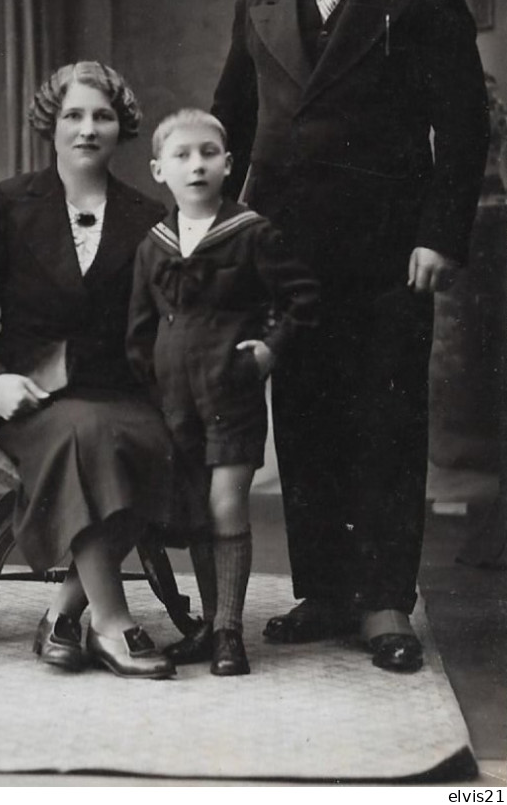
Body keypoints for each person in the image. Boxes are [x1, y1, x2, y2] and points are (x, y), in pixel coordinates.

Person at [212, 0, 490, 673]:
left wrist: (438, 234)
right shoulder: (258, 1)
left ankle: (381, 600)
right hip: (282, 245)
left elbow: (463, 128)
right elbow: (229, 120)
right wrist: (222, 230)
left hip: (385, 249)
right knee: (303, 414)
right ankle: (326, 589)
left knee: (383, 417)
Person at [0, 61, 179, 680]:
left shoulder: (147, 214)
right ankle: (112, 622)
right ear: (50, 125)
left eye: (102, 116)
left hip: (118, 388)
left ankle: (61, 614)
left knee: (150, 440)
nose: (87, 129)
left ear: (121, 127)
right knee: (84, 435)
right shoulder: (8, 204)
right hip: (26, 392)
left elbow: (162, 320)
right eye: (73, 115)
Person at [126, 109, 319, 676]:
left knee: (225, 502)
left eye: (208, 153)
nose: (197, 165)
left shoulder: (251, 232)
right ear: (159, 170)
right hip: (173, 400)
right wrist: (148, 387)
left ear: (228, 164)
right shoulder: (154, 245)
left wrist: (268, 350)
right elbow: (137, 329)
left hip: (229, 392)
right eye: (182, 156)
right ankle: (212, 625)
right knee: (195, 511)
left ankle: (231, 631)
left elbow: (301, 299)